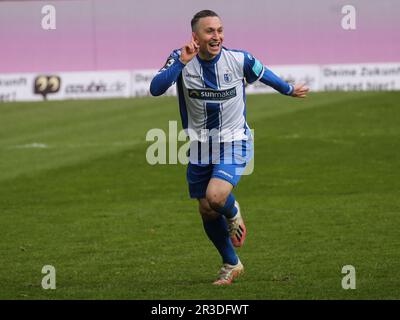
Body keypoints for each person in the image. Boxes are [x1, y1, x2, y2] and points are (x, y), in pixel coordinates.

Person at [150, 9, 309, 285]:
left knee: (216, 197)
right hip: (200, 145)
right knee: (207, 209)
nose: (217, 36)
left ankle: (234, 214)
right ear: (195, 36)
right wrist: (181, 62)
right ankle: (231, 263)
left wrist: (288, 89)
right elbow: (155, 88)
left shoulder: (238, 60)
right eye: (210, 31)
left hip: (234, 141)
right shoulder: (180, 58)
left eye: (220, 30)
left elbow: (264, 73)